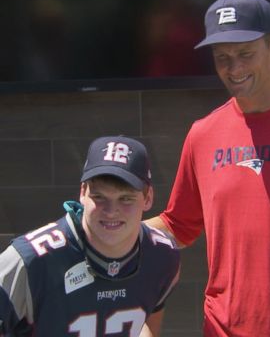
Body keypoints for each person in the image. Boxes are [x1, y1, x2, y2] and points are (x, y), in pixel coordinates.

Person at [145, 0, 270, 336]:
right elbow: (178, 226)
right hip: (224, 329)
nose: (234, 69)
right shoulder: (203, 134)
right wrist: (93, 233)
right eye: (223, 57)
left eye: (246, 54)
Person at [0, 136, 180, 337]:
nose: (111, 211)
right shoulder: (28, 261)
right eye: (99, 197)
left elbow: (146, 322)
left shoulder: (162, 255)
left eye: (126, 199)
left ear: (148, 198)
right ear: (83, 192)